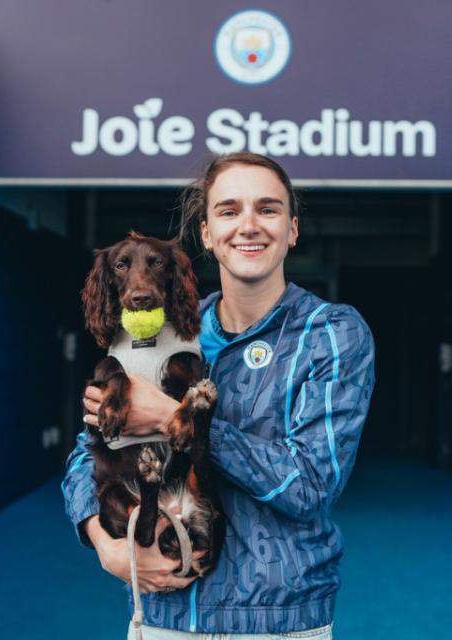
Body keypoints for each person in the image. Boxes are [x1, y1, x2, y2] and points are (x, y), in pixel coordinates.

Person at [62, 152, 375, 639]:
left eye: (267, 210)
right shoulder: (167, 335)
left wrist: (172, 418)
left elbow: (311, 486)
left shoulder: (332, 332)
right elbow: (88, 450)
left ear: (292, 229)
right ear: (207, 234)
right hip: (161, 612)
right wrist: (103, 541)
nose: (248, 225)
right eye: (229, 211)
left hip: (277, 623)